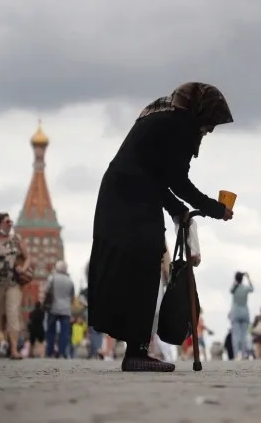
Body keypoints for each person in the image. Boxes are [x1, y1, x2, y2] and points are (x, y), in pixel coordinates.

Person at [87, 82, 235, 372]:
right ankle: (136, 352)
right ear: (198, 111)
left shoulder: (161, 115)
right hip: (132, 201)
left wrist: (177, 209)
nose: (210, 130)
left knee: (136, 267)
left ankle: (137, 348)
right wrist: (217, 209)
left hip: (124, 195)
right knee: (143, 267)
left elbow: (154, 173)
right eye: (210, 122)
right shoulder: (178, 125)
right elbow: (177, 180)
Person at [0, 212, 28, 360]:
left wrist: (23, 268)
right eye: (6, 222)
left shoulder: (16, 239)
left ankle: (14, 350)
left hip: (13, 283)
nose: (10, 224)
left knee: (13, 315)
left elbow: (27, 257)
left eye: (11, 222)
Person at [45, 261, 76, 358]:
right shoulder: (70, 280)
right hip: (66, 310)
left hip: (53, 308)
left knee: (51, 331)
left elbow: (46, 291)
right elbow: (72, 296)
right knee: (64, 332)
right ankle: (62, 352)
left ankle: (49, 352)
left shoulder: (52, 278)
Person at [229, 271, 254, 360]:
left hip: (235, 313)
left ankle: (236, 355)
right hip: (245, 313)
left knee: (236, 335)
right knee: (244, 335)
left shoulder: (234, 288)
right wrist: (248, 278)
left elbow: (231, 290)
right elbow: (252, 288)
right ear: (242, 279)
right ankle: (244, 354)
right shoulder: (245, 288)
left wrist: (236, 280)